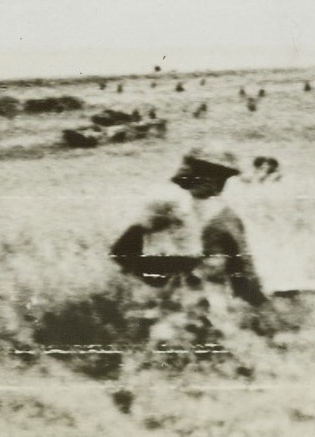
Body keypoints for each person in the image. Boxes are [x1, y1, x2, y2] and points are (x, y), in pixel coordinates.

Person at [110, 145, 267, 342]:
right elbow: (243, 275)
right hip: (210, 314)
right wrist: (262, 311)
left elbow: (120, 254)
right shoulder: (225, 219)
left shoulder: (163, 212)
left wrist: (156, 278)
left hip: (159, 310)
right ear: (220, 180)